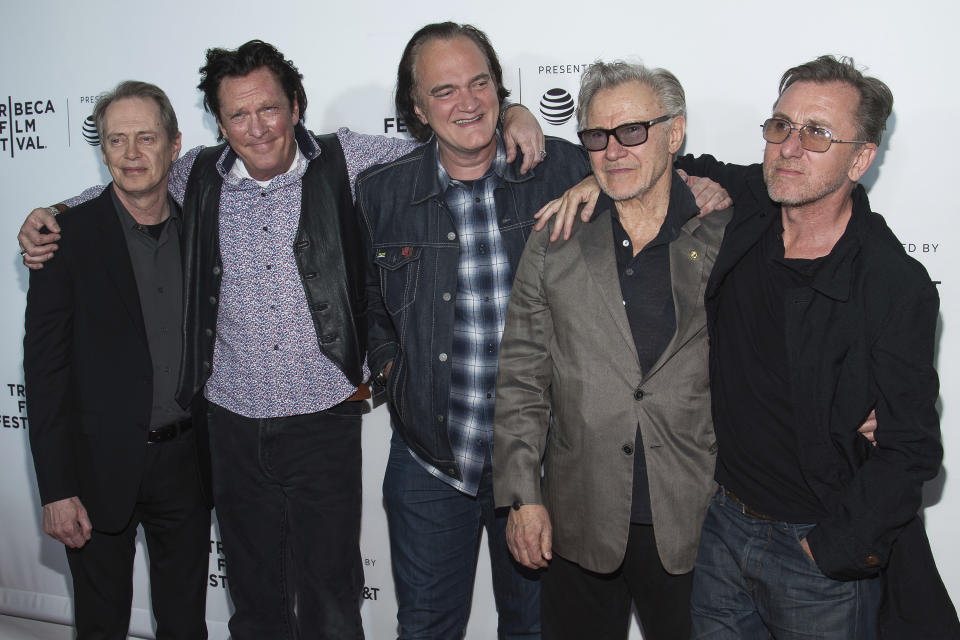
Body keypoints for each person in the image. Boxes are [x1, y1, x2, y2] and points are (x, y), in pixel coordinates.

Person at [16, 39, 545, 640]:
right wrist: (50, 212)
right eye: (237, 115)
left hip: (323, 421)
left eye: (268, 109)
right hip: (231, 425)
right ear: (218, 123)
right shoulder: (197, 173)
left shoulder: (348, 159)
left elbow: (453, 142)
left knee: (331, 600)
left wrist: (512, 115)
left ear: (295, 105)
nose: (256, 127)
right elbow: (127, 192)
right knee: (255, 598)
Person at [357, 34, 731, 639]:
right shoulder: (381, 191)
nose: (467, 102)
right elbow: (371, 297)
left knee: (533, 631)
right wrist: (392, 371)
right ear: (417, 108)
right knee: (425, 628)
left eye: (481, 84)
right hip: (431, 458)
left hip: (547, 464)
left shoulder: (559, 165)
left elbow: (641, 170)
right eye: (444, 90)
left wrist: (676, 183)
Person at [678, 55, 959, 640]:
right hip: (723, 528)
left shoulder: (891, 284)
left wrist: (829, 550)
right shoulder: (756, 204)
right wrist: (526, 121)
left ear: (860, 158)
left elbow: (910, 449)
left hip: (815, 556)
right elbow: (654, 161)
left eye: (817, 133)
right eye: (781, 125)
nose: (790, 147)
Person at [491, 61, 730, 640]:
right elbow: (522, 377)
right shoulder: (556, 239)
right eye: (597, 137)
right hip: (579, 516)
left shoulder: (725, 236)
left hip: (696, 518)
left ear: (674, 134)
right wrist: (522, 495)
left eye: (632, 132)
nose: (613, 150)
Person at [24, 80, 211, 640]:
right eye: (116, 140)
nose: (131, 154)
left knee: (185, 623)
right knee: (101, 624)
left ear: (174, 145)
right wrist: (56, 489)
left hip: (188, 466)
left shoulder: (205, 230)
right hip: (94, 470)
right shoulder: (64, 240)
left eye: (146, 138)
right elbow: (45, 375)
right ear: (102, 149)